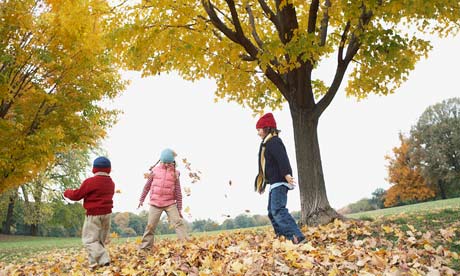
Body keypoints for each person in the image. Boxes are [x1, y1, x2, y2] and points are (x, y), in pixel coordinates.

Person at [254, 113, 306, 244]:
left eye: (259, 130)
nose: (258, 133)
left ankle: (296, 236)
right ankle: (283, 237)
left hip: (280, 181)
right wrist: (263, 184)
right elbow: (266, 167)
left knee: (278, 210)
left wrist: (287, 174)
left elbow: (282, 159)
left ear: (266, 128)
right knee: (272, 212)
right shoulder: (266, 144)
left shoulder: (274, 142)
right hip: (274, 183)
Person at [63, 156, 115, 269]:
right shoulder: (111, 183)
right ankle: (94, 264)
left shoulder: (90, 182)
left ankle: (104, 259)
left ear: (94, 169)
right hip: (107, 214)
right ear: (109, 169)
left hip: (93, 214)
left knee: (89, 241)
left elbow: (77, 195)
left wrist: (67, 192)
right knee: (99, 241)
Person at [138, 148, 188, 251]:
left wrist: (179, 209)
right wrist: (141, 199)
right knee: (150, 226)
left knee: (178, 222)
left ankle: (187, 246)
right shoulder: (154, 171)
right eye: (164, 162)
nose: (166, 164)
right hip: (155, 203)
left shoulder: (175, 173)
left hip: (170, 203)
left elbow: (178, 192)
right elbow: (147, 186)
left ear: (172, 162)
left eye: (168, 163)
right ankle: (145, 249)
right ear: (161, 160)